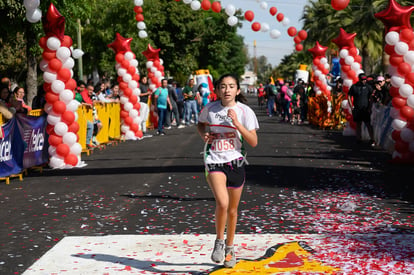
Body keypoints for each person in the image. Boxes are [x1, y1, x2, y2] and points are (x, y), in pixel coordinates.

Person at [197, 73, 259, 268]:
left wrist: (237, 124)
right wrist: (204, 134)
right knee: (222, 203)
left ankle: (230, 248)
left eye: (231, 86)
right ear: (217, 90)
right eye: (223, 86)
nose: (227, 90)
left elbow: (254, 142)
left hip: (236, 161)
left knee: (233, 210)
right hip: (214, 160)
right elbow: (200, 124)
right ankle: (219, 242)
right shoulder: (210, 109)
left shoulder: (245, 111)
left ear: (237, 90)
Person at [348, 73, 375, 146]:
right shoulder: (354, 87)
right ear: (359, 79)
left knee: (368, 124)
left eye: (365, 79)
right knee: (358, 124)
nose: (364, 81)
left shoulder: (368, 87)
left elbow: (371, 97)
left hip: (365, 109)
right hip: (357, 108)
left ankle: (372, 139)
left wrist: (370, 107)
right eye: (363, 79)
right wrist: (351, 106)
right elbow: (349, 96)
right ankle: (358, 139)